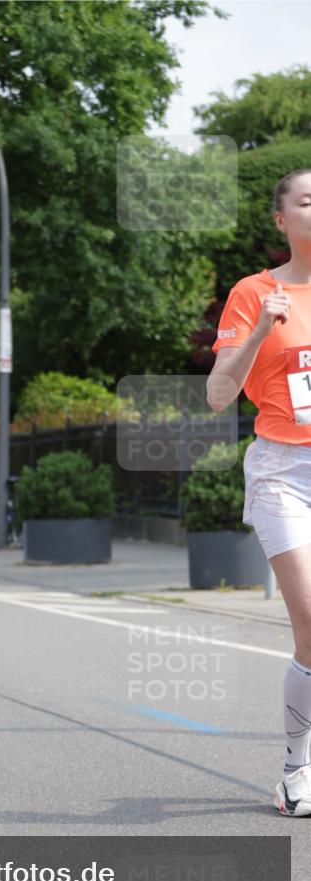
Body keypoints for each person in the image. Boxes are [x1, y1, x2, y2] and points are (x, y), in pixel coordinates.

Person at [207, 168, 311, 816]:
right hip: (282, 470)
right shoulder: (254, 292)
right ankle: (295, 769)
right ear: (280, 220)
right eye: (306, 201)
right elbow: (218, 393)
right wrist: (257, 331)